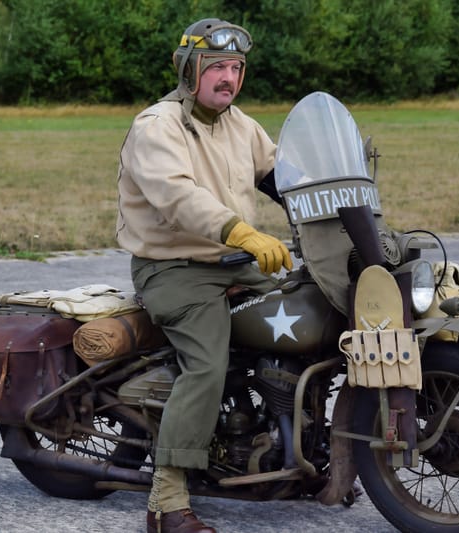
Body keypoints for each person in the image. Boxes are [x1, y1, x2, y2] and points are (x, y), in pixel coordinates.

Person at [115, 17, 293, 533]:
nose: (229, 78)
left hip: (235, 260)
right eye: (217, 67)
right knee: (207, 364)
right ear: (190, 70)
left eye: (236, 68)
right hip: (173, 268)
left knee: (310, 307)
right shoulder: (158, 126)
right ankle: (167, 502)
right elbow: (177, 197)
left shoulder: (241, 125)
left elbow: (285, 178)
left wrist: (338, 204)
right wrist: (242, 233)